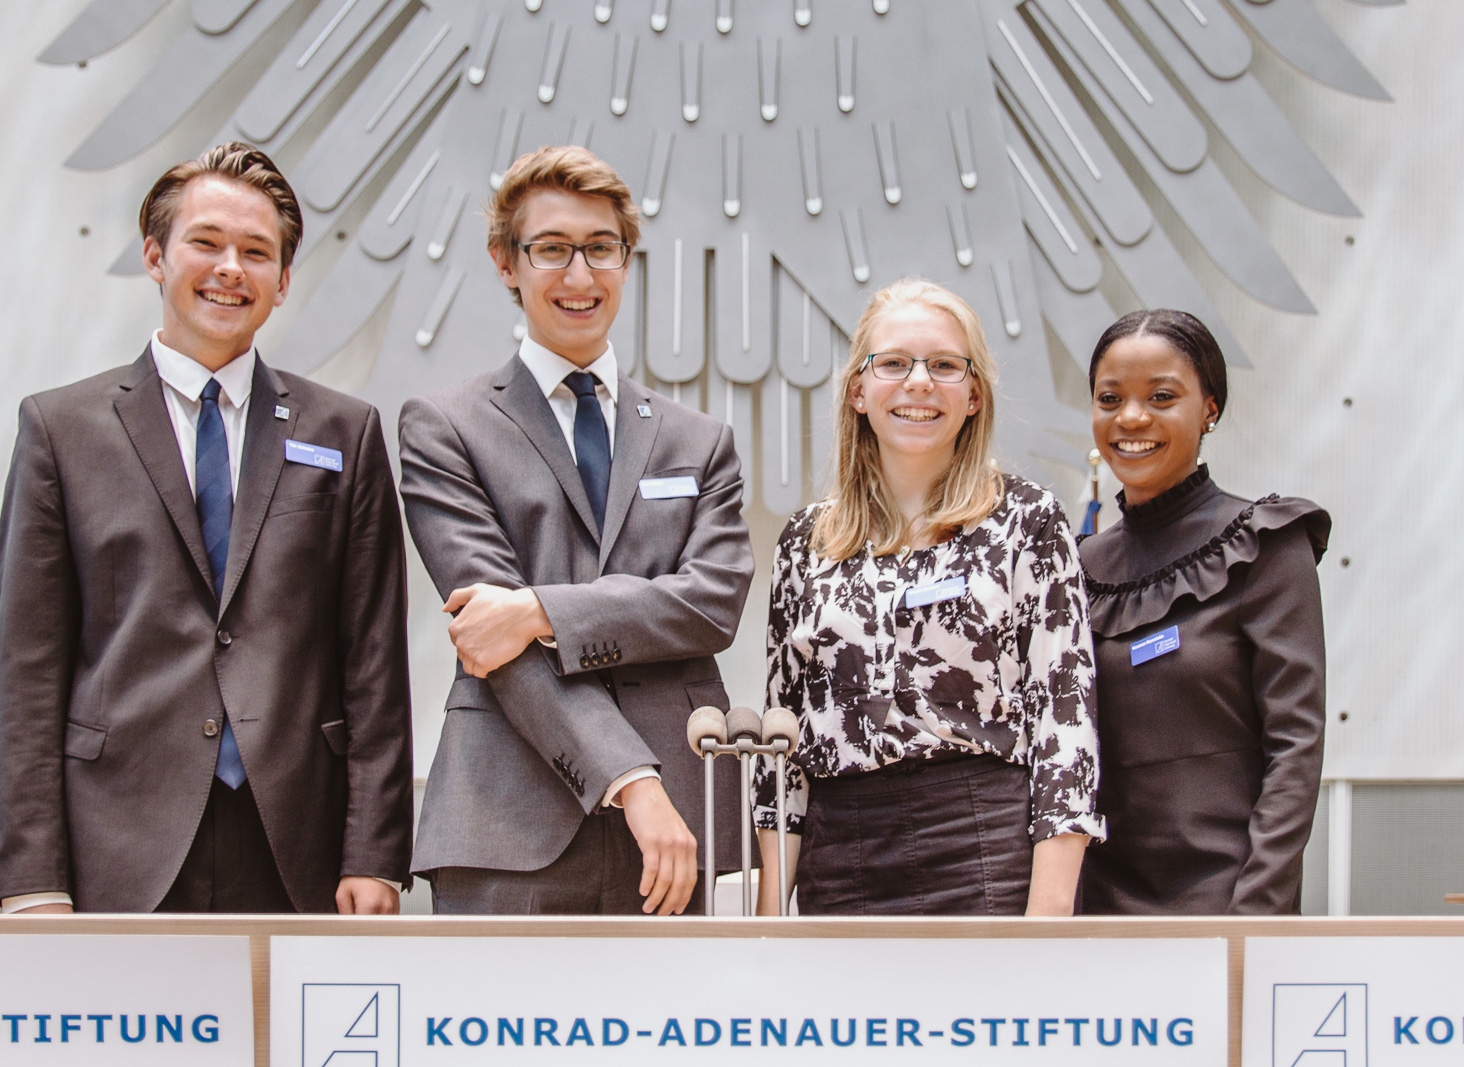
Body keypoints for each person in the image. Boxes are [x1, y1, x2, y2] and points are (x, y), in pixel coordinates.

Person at [0, 143, 412, 914]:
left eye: (257, 252)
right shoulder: (61, 430)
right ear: (156, 255)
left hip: (297, 843)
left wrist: (376, 854)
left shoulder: (345, 433)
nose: (231, 268)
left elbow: (375, 662)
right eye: (206, 242)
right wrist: (30, 880)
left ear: (283, 282)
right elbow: (29, 669)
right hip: (115, 839)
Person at [398, 145, 754, 916]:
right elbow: (492, 645)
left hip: (681, 828)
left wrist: (536, 610)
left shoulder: (701, 441)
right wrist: (634, 779)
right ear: (506, 262)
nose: (580, 276)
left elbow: (711, 603)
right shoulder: (444, 427)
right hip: (510, 821)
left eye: (601, 249)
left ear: (627, 260)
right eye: (552, 249)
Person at [753, 278, 1103, 916]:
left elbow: (1065, 721)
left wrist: (1048, 920)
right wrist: (771, 918)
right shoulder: (805, 542)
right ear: (858, 390)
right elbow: (784, 748)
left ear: (974, 394)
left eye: (945, 365)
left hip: (980, 843)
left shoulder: (1028, 520)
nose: (919, 382)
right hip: (841, 856)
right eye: (893, 363)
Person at [1077, 309, 1329, 914]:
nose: (1131, 418)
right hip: (1101, 913)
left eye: (1161, 396)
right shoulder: (1076, 566)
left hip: (1227, 902)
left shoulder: (1265, 544)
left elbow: (1295, 746)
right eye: (1111, 398)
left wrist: (1255, 916)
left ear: (1209, 408)